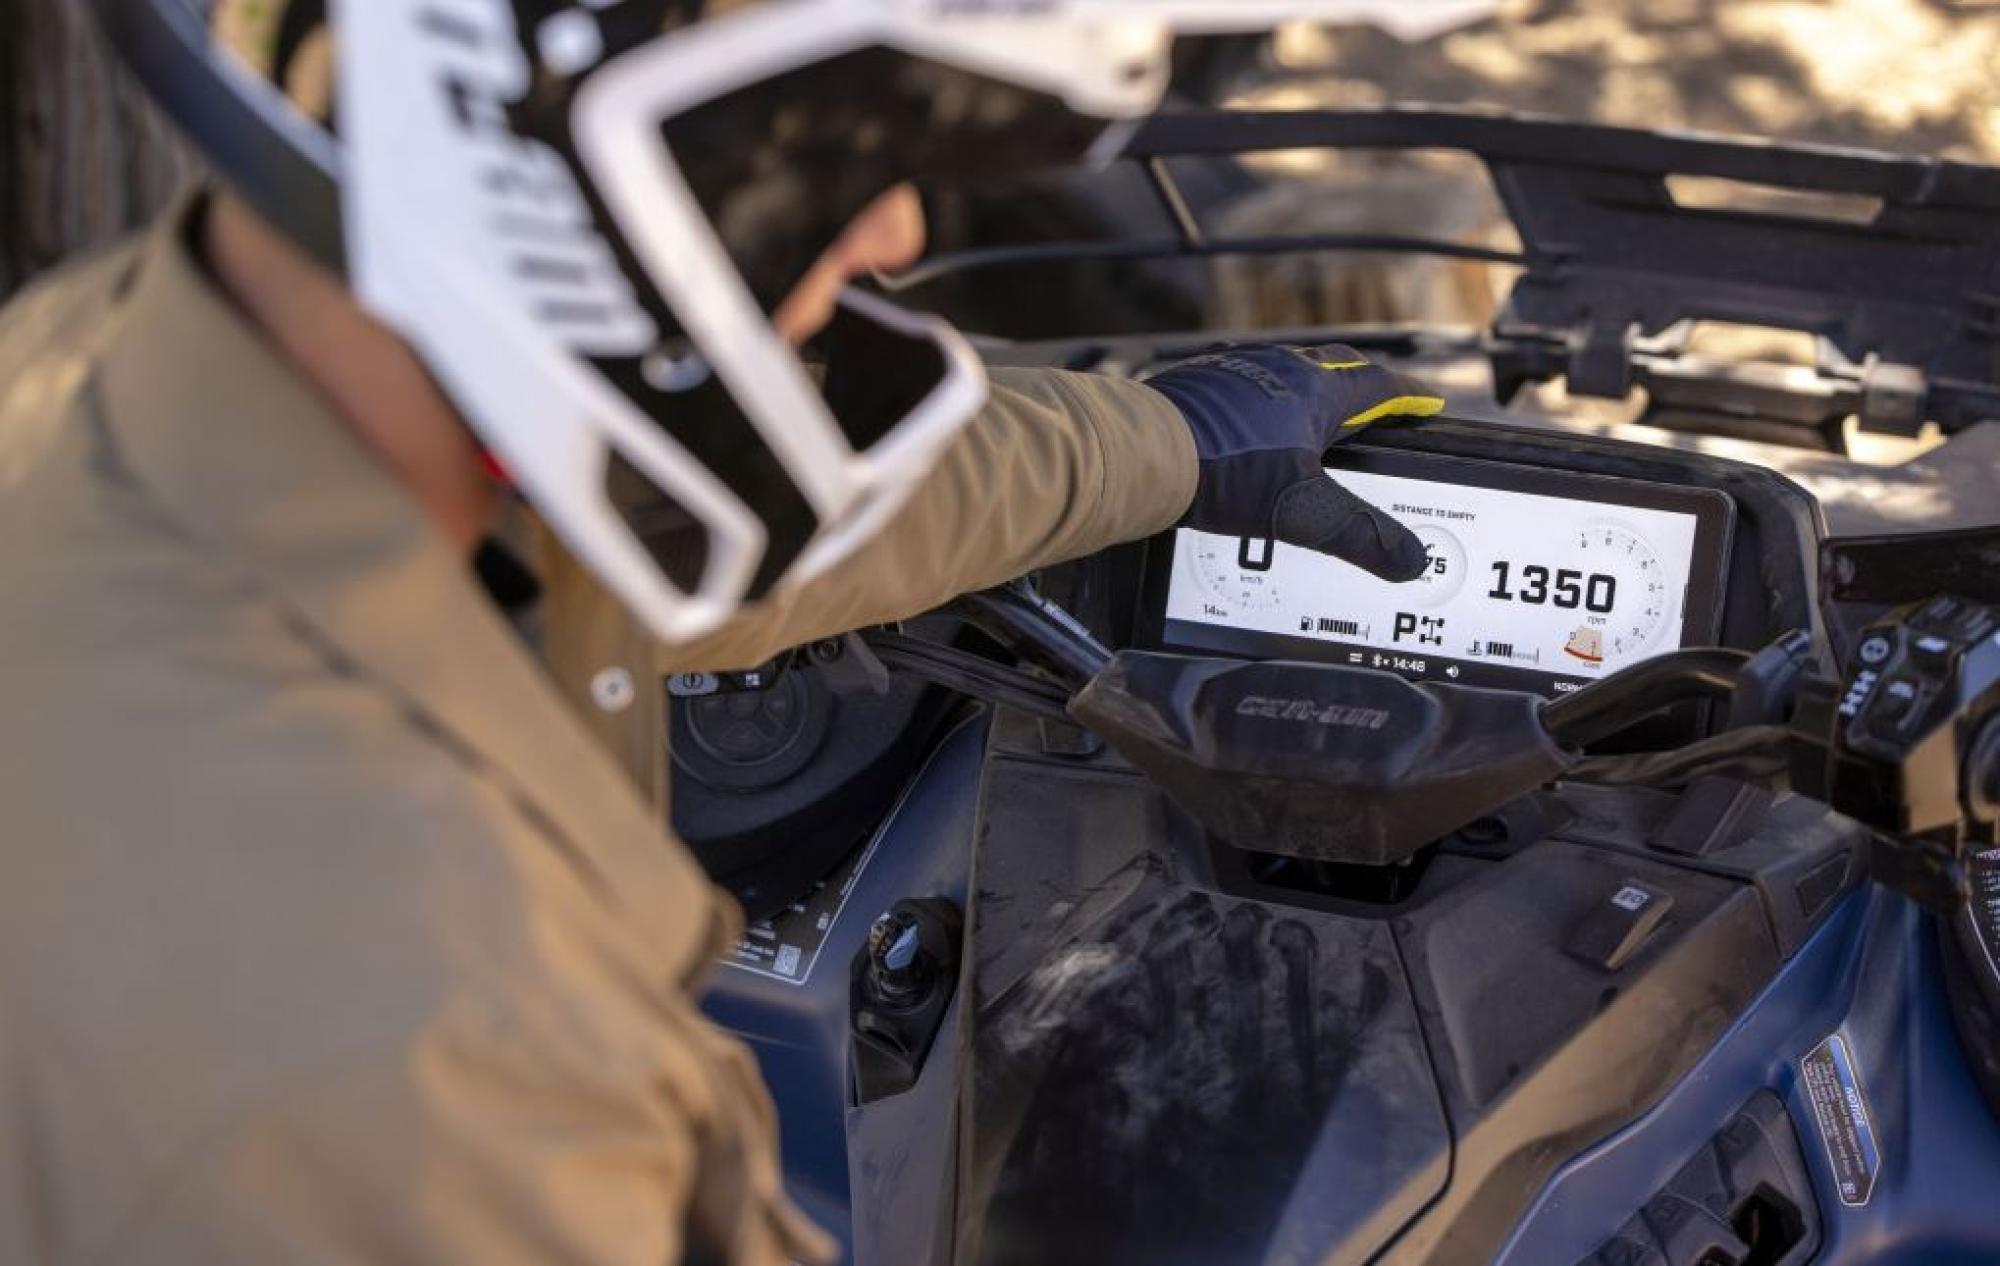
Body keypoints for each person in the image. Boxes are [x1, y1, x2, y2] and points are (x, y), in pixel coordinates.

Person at [0, 2, 1453, 1262]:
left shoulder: (120, 363)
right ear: (538, 143)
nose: (897, 229)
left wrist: (1182, 444)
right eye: (846, 139)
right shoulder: (431, 1052)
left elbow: (790, 515)